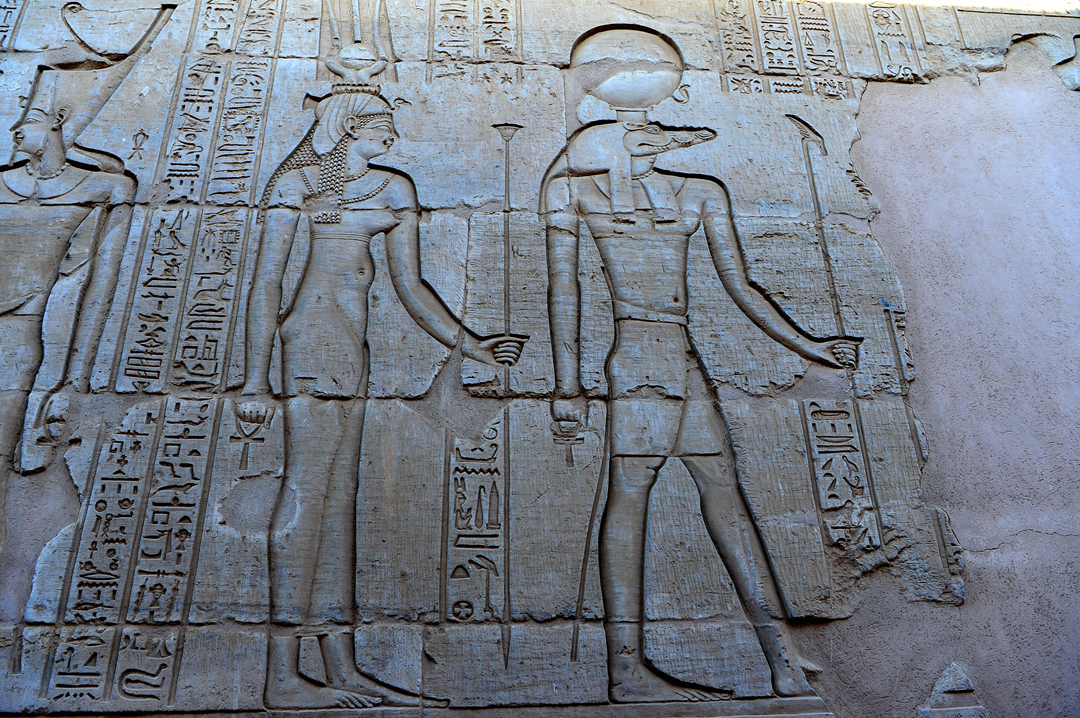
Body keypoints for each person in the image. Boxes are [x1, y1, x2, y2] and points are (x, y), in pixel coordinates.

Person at [542, 27, 861, 703]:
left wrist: (811, 346)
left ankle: (780, 656)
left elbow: (742, 288)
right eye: (635, 134)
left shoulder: (699, 192)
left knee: (722, 494)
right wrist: (567, 386)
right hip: (638, 361)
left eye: (652, 132)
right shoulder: (577, 193)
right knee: (633, 498)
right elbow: (562, 291)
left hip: (681, 360)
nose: (649, 141)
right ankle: (625, 670)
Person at [243, 58, 525, 708]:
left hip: (354, 349)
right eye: (379, 121)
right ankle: (282, 676)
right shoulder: (299, 184)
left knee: (339, 501)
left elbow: (411, 286)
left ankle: (339, 666)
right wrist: (255, 381)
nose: (391, 131)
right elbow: (265, 285)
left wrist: (471, 343)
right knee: (305, 497)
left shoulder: (393, 188)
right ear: (346, 124)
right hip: (310, 343)